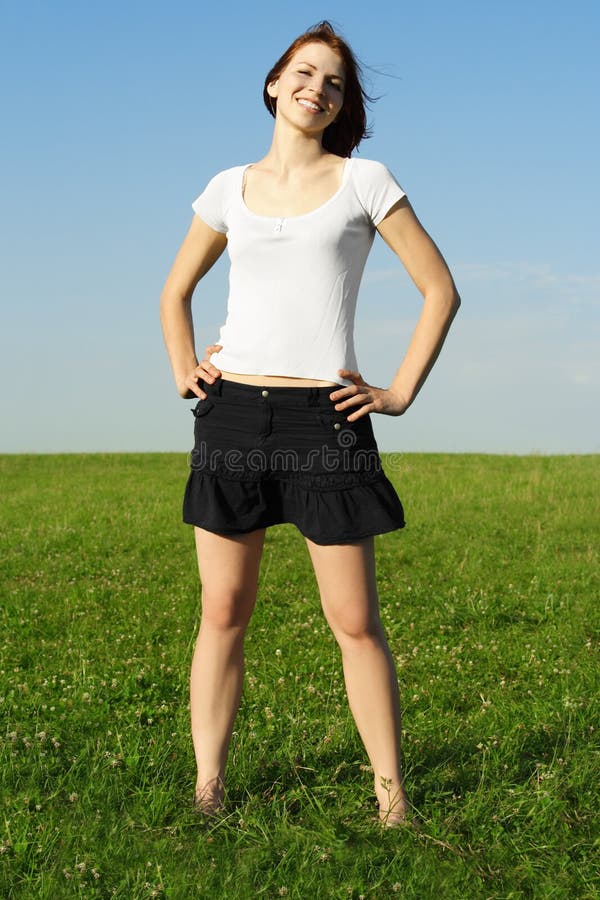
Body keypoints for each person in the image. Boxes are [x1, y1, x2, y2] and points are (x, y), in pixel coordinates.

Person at [160, 20, 460, 826]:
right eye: (304, 73)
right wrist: (185, 364)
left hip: (324, 422)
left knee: (355, 621)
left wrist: (398, 392)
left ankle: (393, 800)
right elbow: (174, 292)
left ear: (340, 104)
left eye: (332, 82)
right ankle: (208, 791)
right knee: (222, 612)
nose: (316, 89)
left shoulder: (366, 180)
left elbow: (441, 290)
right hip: (230, 420)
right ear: (273, 83)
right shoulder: (228, 186)